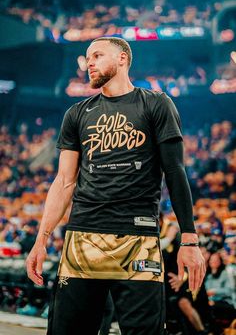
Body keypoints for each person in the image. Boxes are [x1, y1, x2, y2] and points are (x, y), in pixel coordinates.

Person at [26, 37, 206, 335]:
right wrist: (41, 239)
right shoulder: (77, 114)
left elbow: (175, 172)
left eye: (97, 55)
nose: (90, 63)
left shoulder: (156, 104)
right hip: (82, 238)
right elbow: (64, 181)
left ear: (123, 58)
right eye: (87, 58)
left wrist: (189, 240)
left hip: (138, 239)